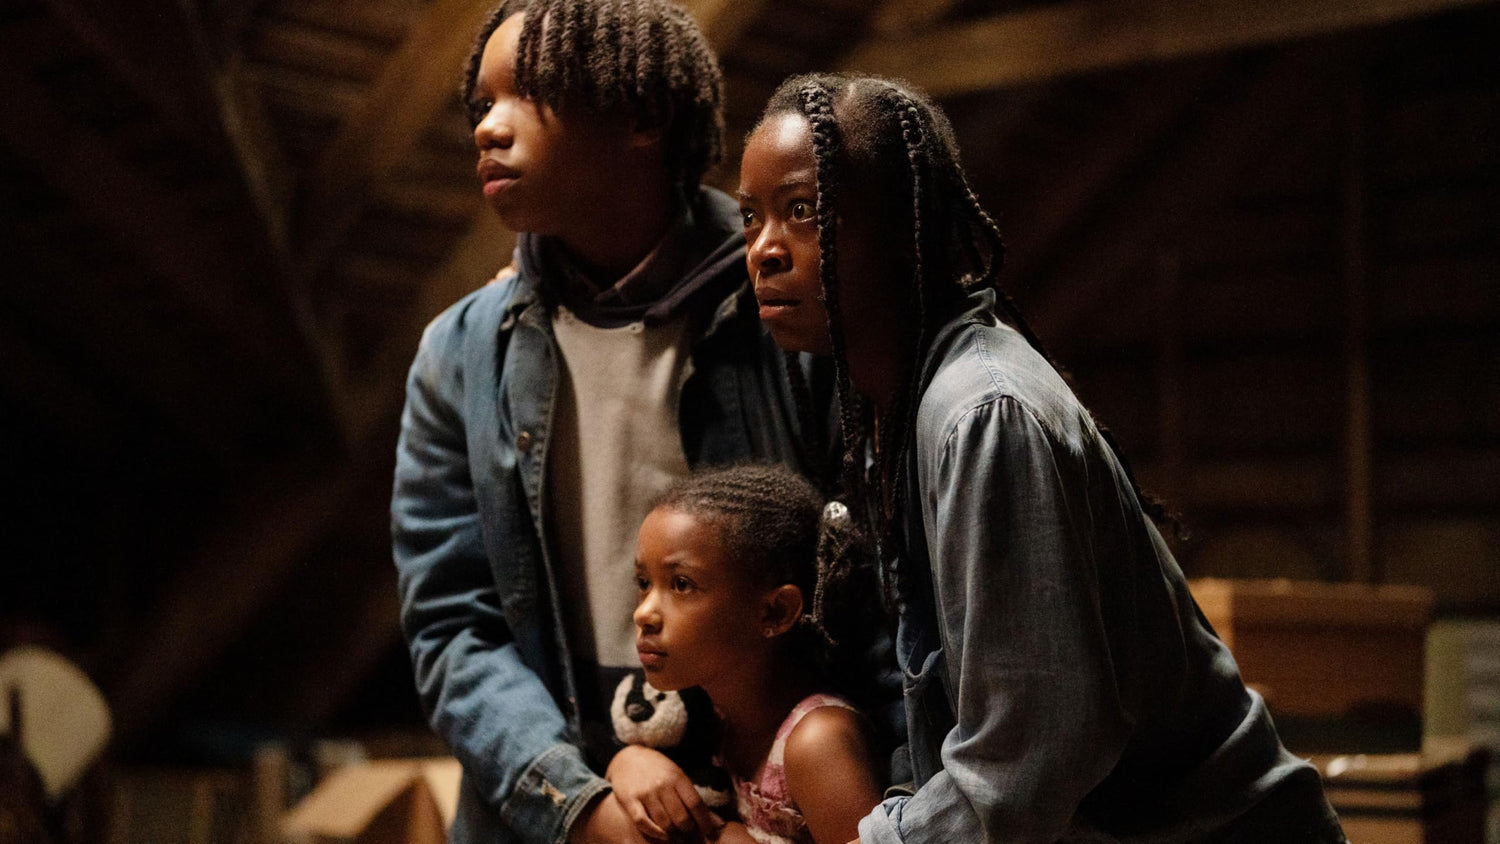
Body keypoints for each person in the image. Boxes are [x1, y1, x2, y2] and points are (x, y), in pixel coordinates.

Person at [735, 72, 1347, 843]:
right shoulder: (904, 413)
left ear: (899, 226)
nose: (763, 250)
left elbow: (1023, 766)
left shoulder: (981, 414)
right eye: (750, 217)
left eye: (802, 211)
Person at [390, 4, 828, 842]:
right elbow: (452, 626)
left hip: (762, 809)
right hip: (548, 810)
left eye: (527, 93)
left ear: (642, 113)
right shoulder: (461, 354)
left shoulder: (787, 319)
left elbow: (862, 598)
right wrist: (579, 807)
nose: (488, 127)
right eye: (481, 104)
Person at [618, 464, 885, 844]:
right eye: (644, 583)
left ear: (774, 612)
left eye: (681, 584)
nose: (643, 613)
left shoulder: (817, 741)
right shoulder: (699, 714)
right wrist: (627, 761)